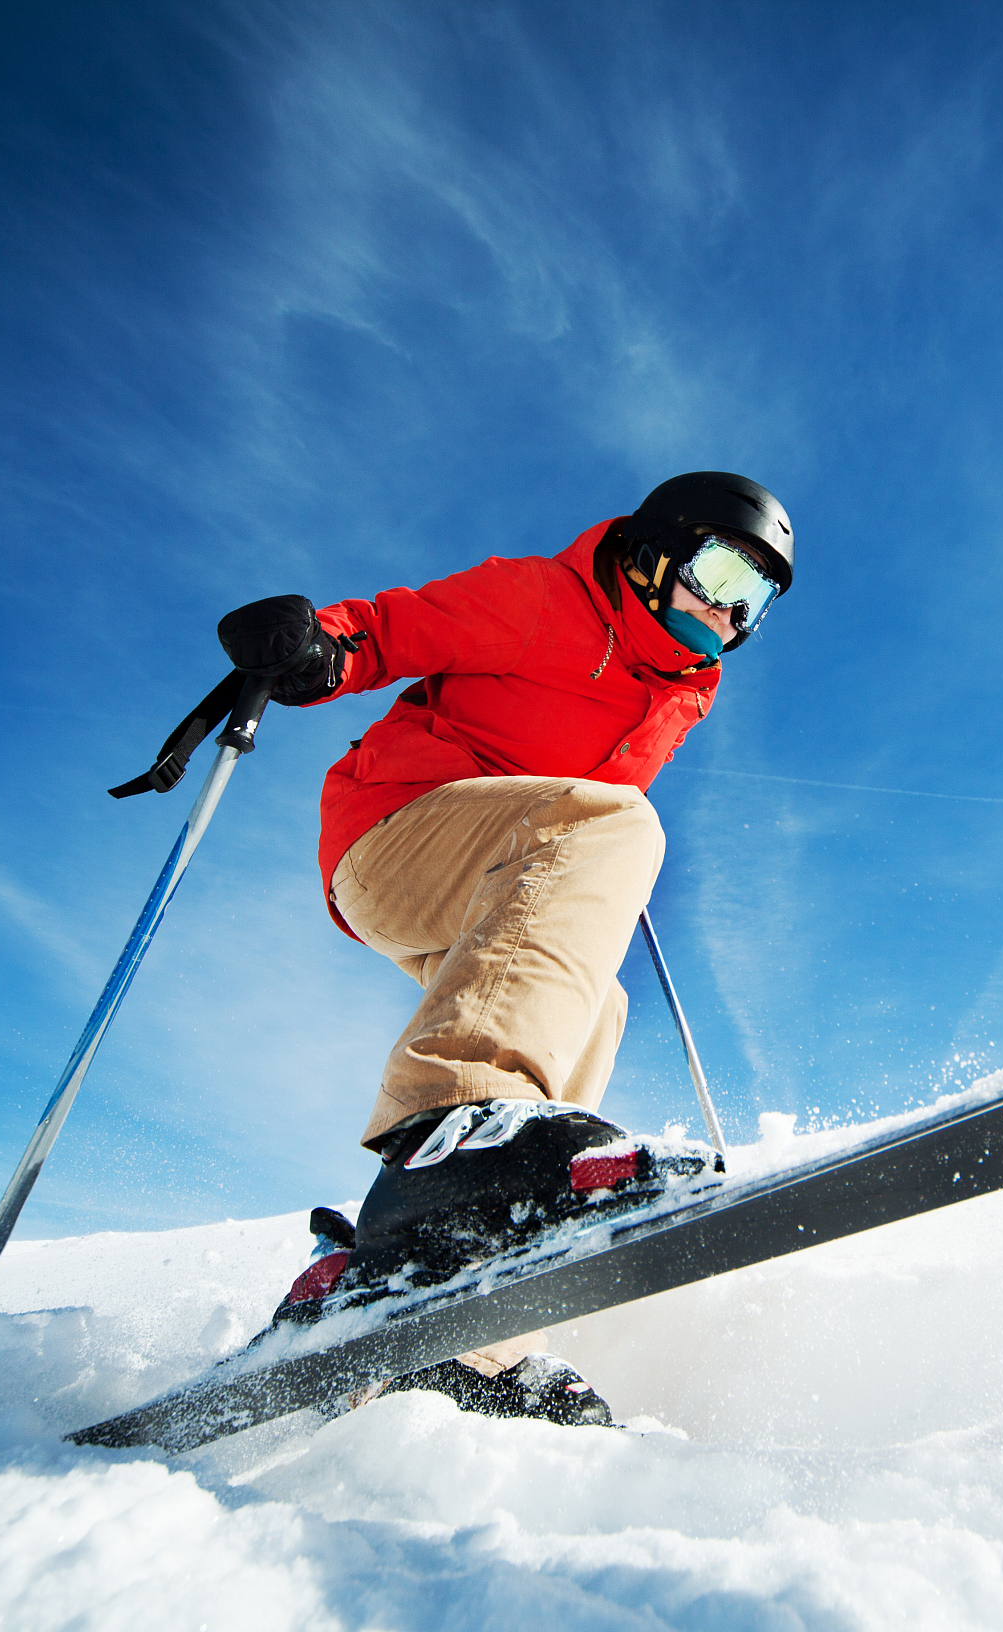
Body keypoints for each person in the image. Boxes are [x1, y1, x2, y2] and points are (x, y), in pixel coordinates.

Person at [212, 472, 794, 1424]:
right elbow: (399, 628)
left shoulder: (685, 694)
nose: (731, 610)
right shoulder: (546, 598)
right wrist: (323, 646)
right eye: (723, 570)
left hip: (498, 866)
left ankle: (449, 1310)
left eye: (757, 598)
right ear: (655, 550)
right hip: (392, 832)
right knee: (623, 827)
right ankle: (454, 1133)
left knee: (598, 1003)